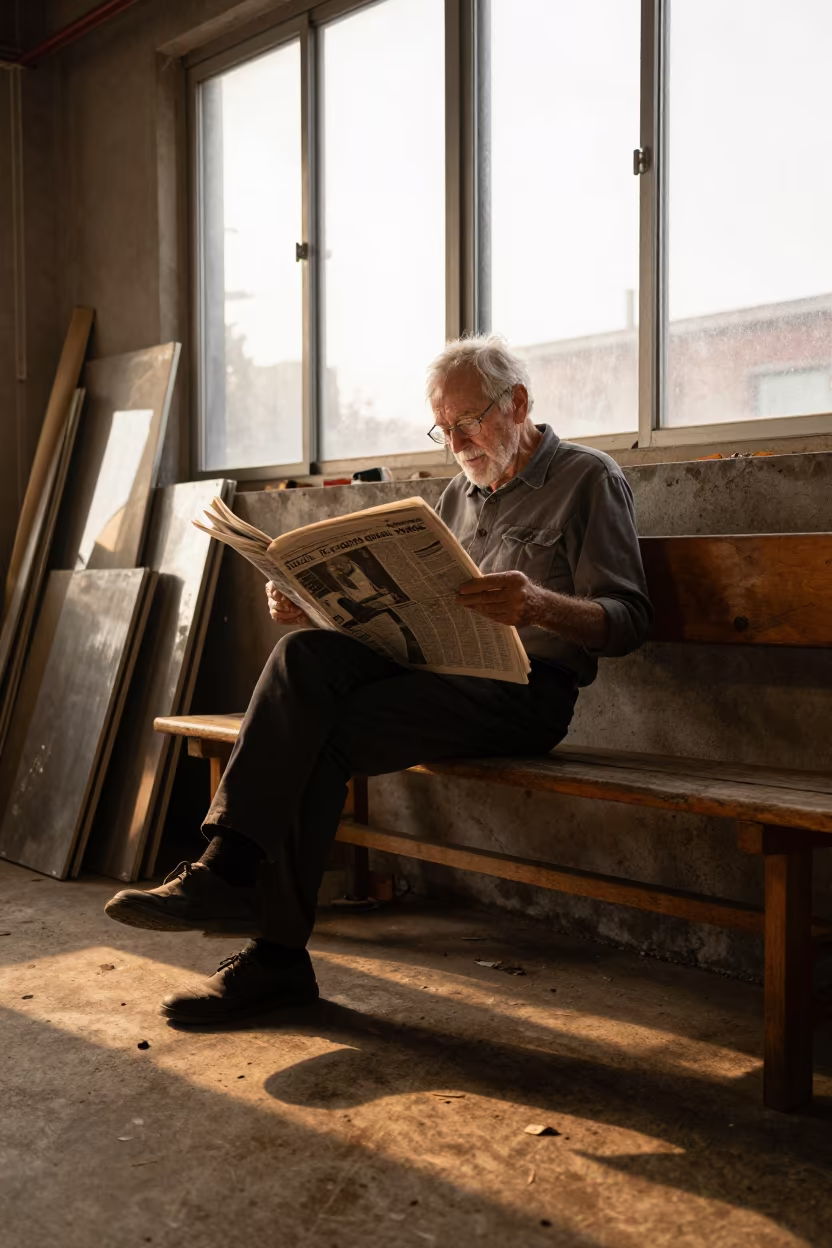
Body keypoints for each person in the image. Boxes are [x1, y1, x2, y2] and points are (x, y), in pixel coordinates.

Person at [104, 334, 652, 1022]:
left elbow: (629, 620)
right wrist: (315, 605)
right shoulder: (459, 493)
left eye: (468, 422)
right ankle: (233, 875)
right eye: (443, 428)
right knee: (303, 656)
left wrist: (539, 604)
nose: (456, 442)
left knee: (312, 736)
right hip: (437, 675)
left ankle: (266, 943)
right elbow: (416, 612)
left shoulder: (589, 479)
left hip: (525, 694)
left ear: (517, 404)